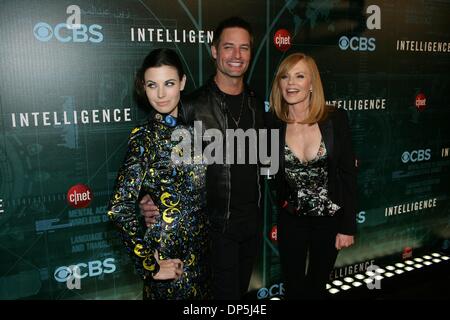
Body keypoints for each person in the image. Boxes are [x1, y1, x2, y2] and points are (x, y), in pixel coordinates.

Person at [140, 17, 266, 299]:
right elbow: (157, 160)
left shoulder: (257, 103)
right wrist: (147, 197)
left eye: (244, 48)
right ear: (214, 51)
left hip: (251, 227)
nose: (236, 55)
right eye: (228, 47)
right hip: (213, 231)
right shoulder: (190, 106)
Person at [107, 48, 210, 299]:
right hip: (170, 259)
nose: (161, 94)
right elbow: (119, 209)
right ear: (144, 86)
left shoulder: (197, 131)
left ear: (182, 83)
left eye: (169, 83)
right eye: (153, 85)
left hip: (204, 257)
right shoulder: (143, 138)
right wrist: (150, 265)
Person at [269, 52, 357, 299]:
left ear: (311, 84)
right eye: (285, 76)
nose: (291, 83)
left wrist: (348, 227)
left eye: (299, 76)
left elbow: (348, 175)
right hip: (291, 220)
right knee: (294, 288)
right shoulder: (273, 123)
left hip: (328, 220)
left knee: (317, 287)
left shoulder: (335, 119)